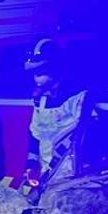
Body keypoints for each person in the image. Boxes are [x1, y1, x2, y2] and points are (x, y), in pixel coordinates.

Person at [22, 38, 92, 189]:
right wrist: (31, 164)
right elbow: (36, 134)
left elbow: (83, 136)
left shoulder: (78, 98)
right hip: (46, 174)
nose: (36, 79)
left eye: (41, 73)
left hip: (71, 175)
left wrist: (57, 163)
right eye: (34, 74)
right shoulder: (41, 101)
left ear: (55, 70)